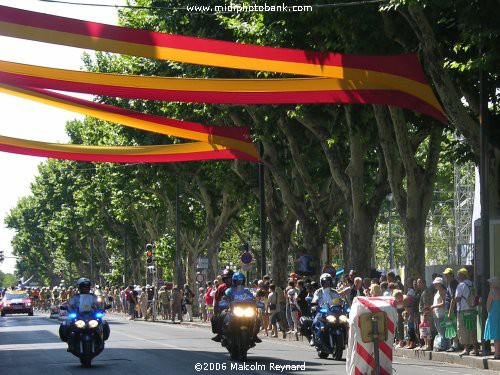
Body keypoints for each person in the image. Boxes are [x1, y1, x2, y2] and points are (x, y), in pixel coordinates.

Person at [223, 272, 262, 343]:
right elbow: (225, 298)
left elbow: (253, 298)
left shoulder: (247, 291)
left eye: (241, 281)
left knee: (257, 319)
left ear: (244, 281)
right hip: (234, 310)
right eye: (237, 282)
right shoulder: (229, 290)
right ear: (234, 282)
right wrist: (225, 301)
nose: (239, 283)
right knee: (225, 317)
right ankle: (224, 335)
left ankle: (254, 335)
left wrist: (257, 302)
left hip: (246, 310)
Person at [450, 268, 479, 356]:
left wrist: (453, 300)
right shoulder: (472, 284)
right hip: (472, 309)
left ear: (463, 275)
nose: (458, 276)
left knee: (462, 330)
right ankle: (475, 349)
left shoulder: (461, 285)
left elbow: (458, 299)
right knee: (472, 329)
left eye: (459, 274)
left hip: (463, 310)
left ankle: (466, 349)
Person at [310, 273, 342, 346]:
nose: (327, 283)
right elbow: (315, 299)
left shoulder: (334, 291)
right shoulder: (318, 291)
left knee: (344, 322)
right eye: (325, 282)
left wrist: (342, 303)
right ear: (322, 282)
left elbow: (340, 300)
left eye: (328, 281)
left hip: (333, 311)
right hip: (322, 311)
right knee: (315, 322)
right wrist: (314, 304)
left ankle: (347, 337)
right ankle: (313, 337)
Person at [430, 277, 450, 351]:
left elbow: (444, 303)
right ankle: (442, 345)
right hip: (437, 314)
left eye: (436, 283)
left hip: (441, 314)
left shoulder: (442, 291)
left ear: (440, 284)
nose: (434, 285)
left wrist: (434, 306)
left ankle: (444, 346)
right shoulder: (438, 292)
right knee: (440, 331)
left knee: (442, 331)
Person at [484, 276, 500, 360]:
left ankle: (497, 354)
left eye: (491, 283)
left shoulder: (492, 292)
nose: (489, 284)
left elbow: (488, 306)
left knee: (496, 335)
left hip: (493, 315)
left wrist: (488, 313)